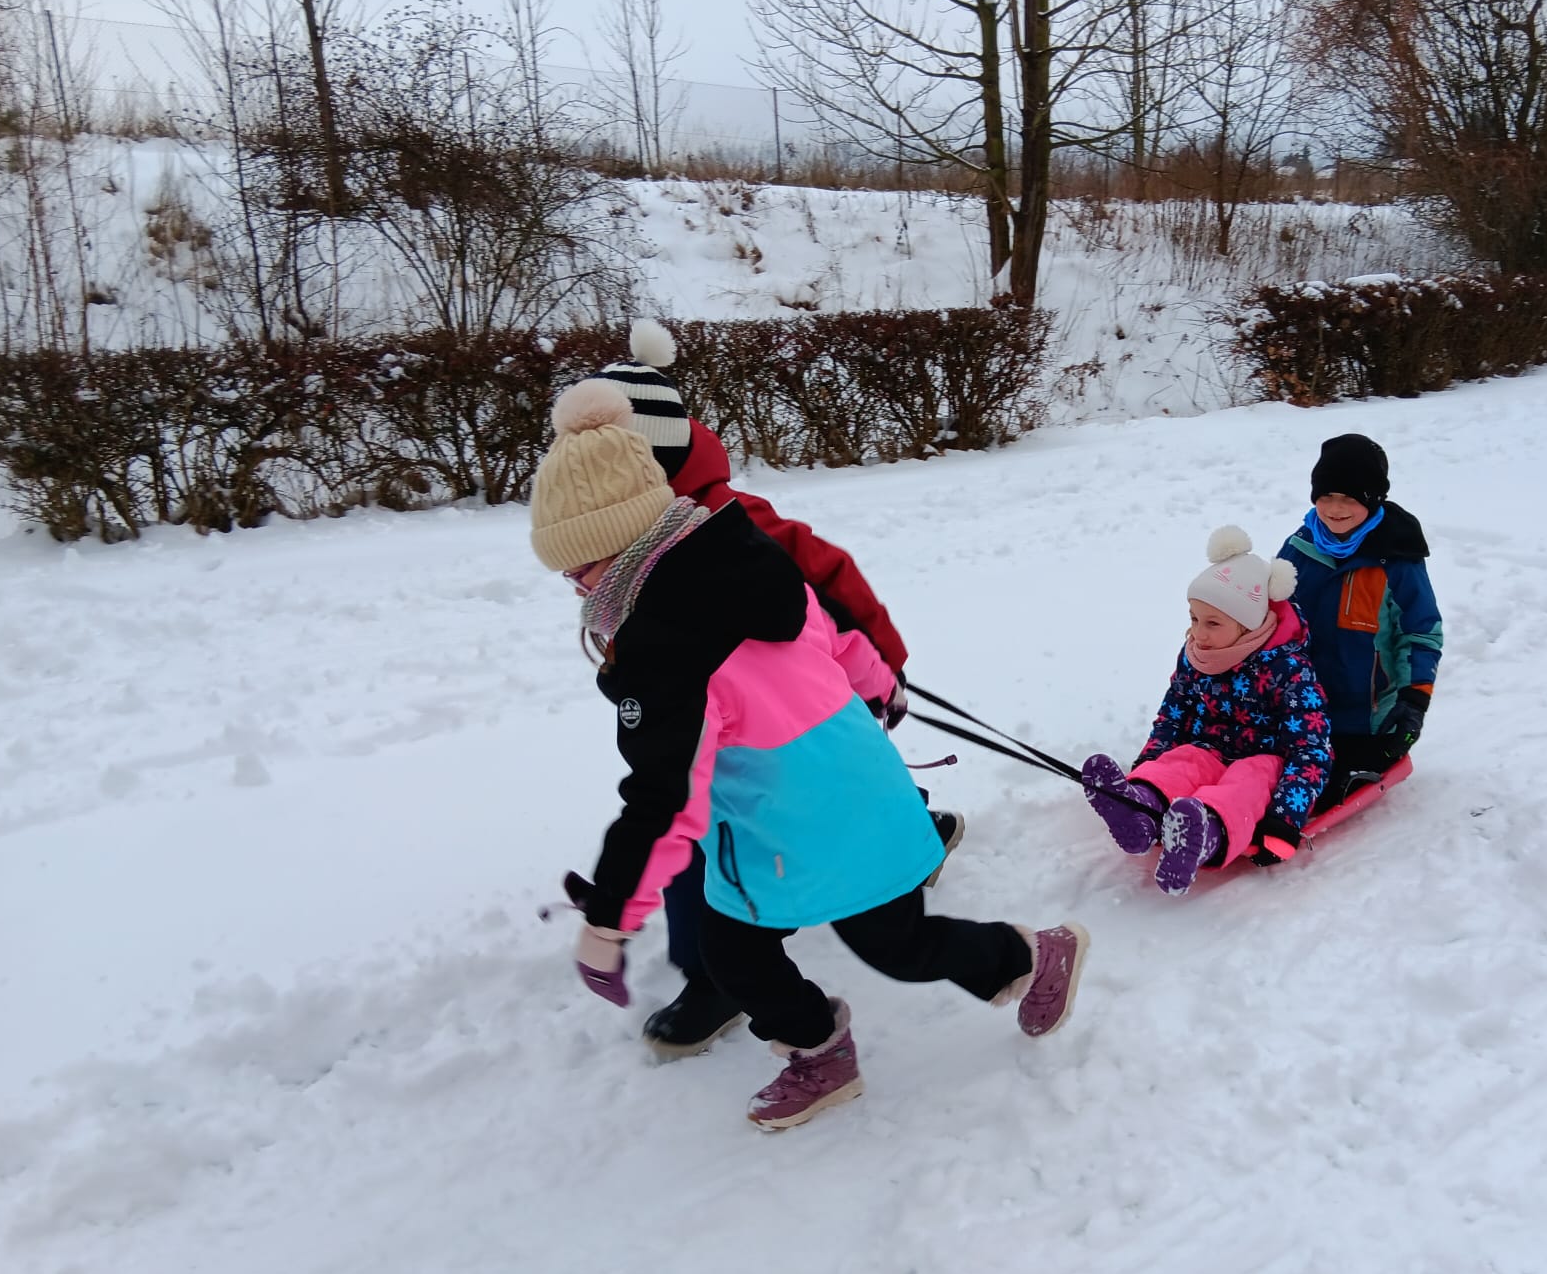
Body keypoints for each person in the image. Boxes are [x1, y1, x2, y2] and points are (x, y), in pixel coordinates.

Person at [533, 377, 1090, 1131]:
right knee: (747, 951)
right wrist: (881, 689)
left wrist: (608, 922)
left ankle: (1027, 960)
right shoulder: (745, 563)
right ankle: (823, 1045)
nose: (574, 589)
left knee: (886, 949)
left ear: (626, 544)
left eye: (579, 568)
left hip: (812, 828)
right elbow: (841, 638)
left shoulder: (668, 656)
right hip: (830, 808)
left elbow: (665, 802)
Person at [592, 320, 960, 1059]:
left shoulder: (730, 522)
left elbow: (833, 581)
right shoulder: (622, 537)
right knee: (763, 803)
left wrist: (883, 670)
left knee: (717, 822)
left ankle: (717, 977)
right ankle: (904, 830)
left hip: (809, 701)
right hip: (728, 719)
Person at [1080, 528, 1333, 895]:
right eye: (1194, 619)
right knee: (1184, 760)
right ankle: (1138, 811)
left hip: (1267, 761)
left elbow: (1311, 749)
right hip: (1210, 749)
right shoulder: (1196, 657)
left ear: (1248, 625)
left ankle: (1202, 835)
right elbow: (1173, 716)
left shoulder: (1288, 669)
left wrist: (1285, 818)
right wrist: (1148, 764)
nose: (1198, 633)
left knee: (1244, 784)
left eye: (1213, 623)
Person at [1273, 435, 1443, 806]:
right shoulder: (1299, 547)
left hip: (1365, 720)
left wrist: (1414, 702)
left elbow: (1421, 633)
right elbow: (1272, 617)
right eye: (1326, 496)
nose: (1335, 509)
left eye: (1349, 498)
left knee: (1325, 787)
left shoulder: (1397, 560)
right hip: (1301, 708)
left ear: (1372, 498)